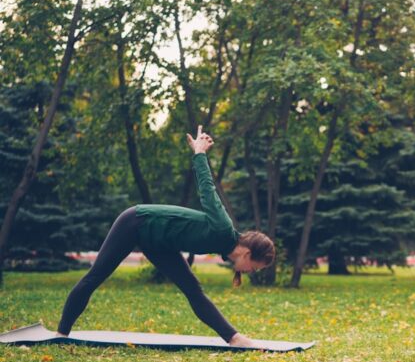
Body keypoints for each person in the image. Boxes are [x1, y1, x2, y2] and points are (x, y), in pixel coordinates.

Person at [55, 126, 274, 348]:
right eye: (254, 267)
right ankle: (61, 334)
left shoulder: (226, 245)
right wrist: (199, 154)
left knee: (193, 290)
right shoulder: (223, 229)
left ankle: (234, 339)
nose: (251, 272)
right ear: (247, 252)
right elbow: (208, 190)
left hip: (161, 243)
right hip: (135, 223)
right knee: (95, 276)